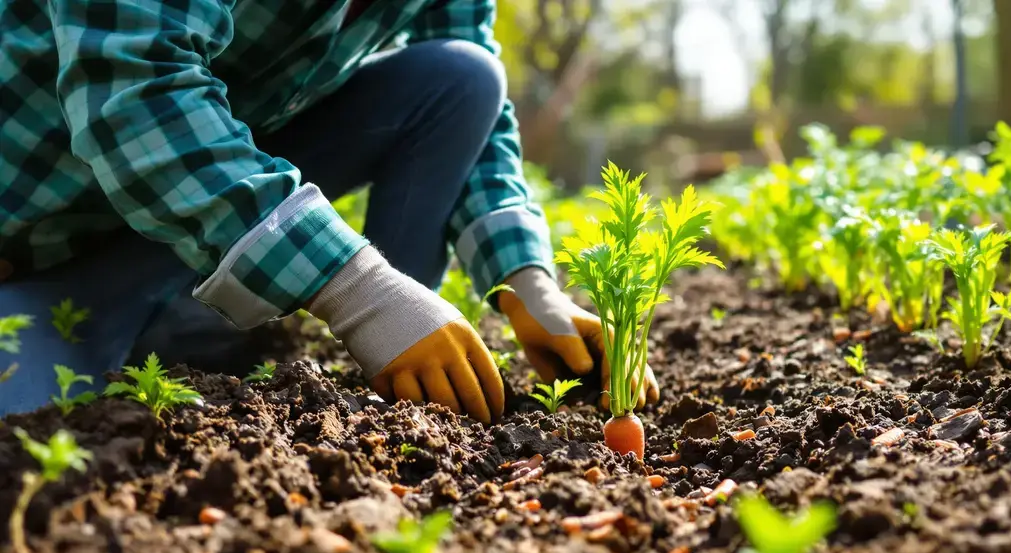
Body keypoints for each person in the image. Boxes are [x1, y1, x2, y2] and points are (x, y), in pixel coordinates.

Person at [0, 0, 658, 422]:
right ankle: (133, 329)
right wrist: (358, 290)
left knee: (461, 76)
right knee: (33, 451)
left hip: (158, 239)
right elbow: (131, 85)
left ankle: (384, 387)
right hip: (29, 243)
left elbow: (473, 103)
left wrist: (527, 283)